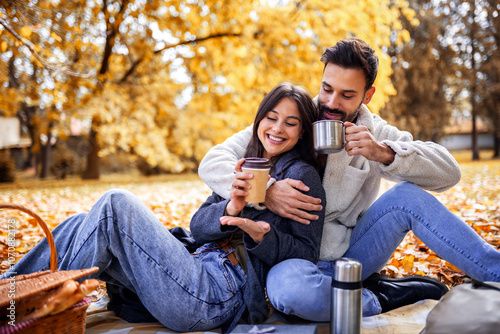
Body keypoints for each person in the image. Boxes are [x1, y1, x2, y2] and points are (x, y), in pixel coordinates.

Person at [198, 37, 500, 321]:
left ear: (367, 95)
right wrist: (267, 190)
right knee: (288, 293)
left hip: (350, 252)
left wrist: (383, 153)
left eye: (347, 95)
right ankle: (380, 297)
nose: (331, 102)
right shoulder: (292, 116)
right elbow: (213, 162)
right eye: (327, 88)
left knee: (407, 198)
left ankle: (495, 274)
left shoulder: (374, 131)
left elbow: (450, 172)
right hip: (293, 257)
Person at [1, 82, 326, 333]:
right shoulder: (245, 165)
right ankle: (11, 294)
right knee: (78, 223)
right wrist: (231, 207)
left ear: (301, 132)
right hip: (194, 265)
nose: (277, 128)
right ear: (259, 120)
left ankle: (28, 308)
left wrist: (259, 237)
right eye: (271, 118)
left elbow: (307, 252)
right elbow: (198, 226)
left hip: (217, 293)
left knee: (116, 204)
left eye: (291, 123)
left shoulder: (302, 176)